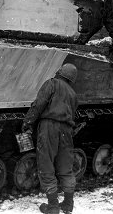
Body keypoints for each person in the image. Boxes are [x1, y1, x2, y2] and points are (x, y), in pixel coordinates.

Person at [22, 63, 79, 214]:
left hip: (49, 127)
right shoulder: (73, 94)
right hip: (67, 130)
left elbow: (39, 104)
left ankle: (53, 206)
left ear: (60, 72)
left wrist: (28, 122)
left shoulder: (51, 84)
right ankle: (68, 204)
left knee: (46, 165)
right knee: (66, 167)